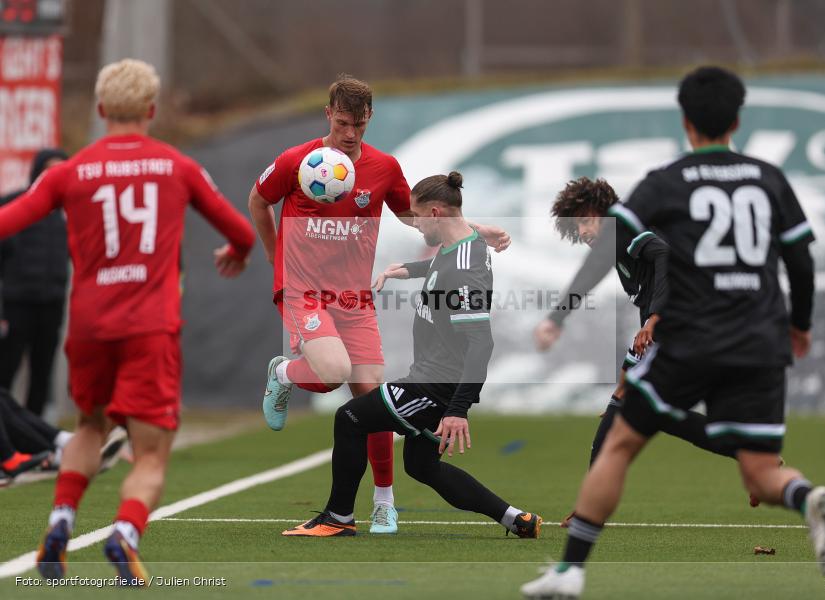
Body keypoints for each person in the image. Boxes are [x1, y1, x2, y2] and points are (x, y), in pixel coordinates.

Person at [522, 66, 825, 598]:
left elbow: (649, 250)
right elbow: (801, 262)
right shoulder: (769, 178)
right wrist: (801, 325)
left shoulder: (663, 183)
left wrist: (563, 316)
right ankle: (806, 496)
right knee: (761, 472)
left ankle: (570, 571)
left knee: (622, 437)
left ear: (686, 122)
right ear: (736, 119)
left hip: (689, 334)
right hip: (760, 338)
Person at [0, 58, 256, 585]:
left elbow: (8, 221)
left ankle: (61, 522)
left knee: (90, 426)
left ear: (99, 110)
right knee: (151, 452)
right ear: (151, 109)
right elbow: (242, 231)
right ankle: (124, 533)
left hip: (90, 327)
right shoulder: (177, 166)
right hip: (149, 328)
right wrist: (235, 251)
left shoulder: (67, 173)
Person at [248, 74, 510, 535]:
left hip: (355, 297)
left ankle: (384, 503)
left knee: (375, 403)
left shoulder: (384, 167)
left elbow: (414, 216)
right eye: (344, 123)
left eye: (360, 125)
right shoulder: (296, 161)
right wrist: (273, 254)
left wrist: (472, 229)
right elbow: (257, 199)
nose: (351, 135)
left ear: (371, 119)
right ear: (328, 114)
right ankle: (283, 373)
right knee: (332, 373)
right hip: (304, 290)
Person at [280, 171, 540, 539]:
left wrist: (457, 410)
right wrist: (403, 270)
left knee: (351, 417)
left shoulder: (465, 269)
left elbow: (482, 344)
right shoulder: (462, 245)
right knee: (422, 466)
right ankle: (516, 519)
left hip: (434, 385)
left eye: (417, 217)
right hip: (434, 379)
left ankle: (336, 517)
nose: (415, 226)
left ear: (434, 213)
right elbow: (443, 263)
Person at [534, 177, 747, 526]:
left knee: (627, 410)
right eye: (578, 227)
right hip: (679, 325)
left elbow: (663, 253)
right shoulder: (614, 246)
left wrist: (653, 319)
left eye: (587, 221)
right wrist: (557, 319)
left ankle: (588, 508)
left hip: (679, 324)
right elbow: (587, 279)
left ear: (603, 210)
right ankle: (745, 450)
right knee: (656, 413)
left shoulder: (627, 231)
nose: (584, 232)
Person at [0, 149, 69, 417]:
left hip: (52, 304)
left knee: (42, 375)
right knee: (6, 371)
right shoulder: (15, 204)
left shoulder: (70, 210)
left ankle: (35, 439)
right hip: (16, 304)